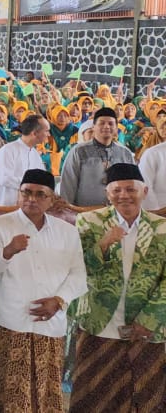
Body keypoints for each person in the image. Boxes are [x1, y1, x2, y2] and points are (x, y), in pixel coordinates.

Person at [0, 168, 87, 413]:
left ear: (52, 199)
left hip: (51, 323)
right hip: (12, 322)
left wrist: (59, 300)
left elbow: (79, 275)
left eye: (40, 194)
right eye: (26, 192)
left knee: (46, 393)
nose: (31, 199)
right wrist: (8, 251)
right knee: (9, 393)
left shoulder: (67, 232)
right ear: (19, 194)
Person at [71, 163, 166, 411]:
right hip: (99, 322)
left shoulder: (162, 227)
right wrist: (102, 244)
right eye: (117, 190)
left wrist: (149, 319)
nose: (124, 195)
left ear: (144, 191)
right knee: (94, 395)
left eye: (130, 189)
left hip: (147, 326)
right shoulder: (88, 221)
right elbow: (77, 269)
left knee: (146, 396)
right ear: (107, 193)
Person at [61, 107, 136, 208]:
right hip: (84, 213)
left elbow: (132, 184)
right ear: (93, 127)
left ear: (116, 128)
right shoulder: (79, 151)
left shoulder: (125, 153)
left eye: (111, 124)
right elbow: (68, 184)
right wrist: (68, 208)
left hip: (117, 212)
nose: (106, 126)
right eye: (102, 123)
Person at [0, 113, 48, 207]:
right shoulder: (7, 150)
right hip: (4, 207)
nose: (49, 134)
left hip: (27, 207)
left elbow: (42, 178)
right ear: (34, 133)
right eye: (46, 131)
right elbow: (4, 178)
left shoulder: (35, 154)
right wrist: (32, 185)